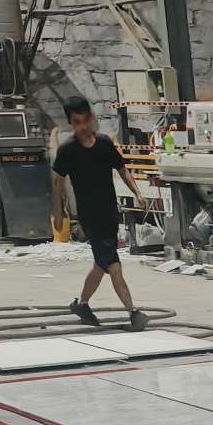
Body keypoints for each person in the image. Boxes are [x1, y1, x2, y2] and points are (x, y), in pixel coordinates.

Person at [52, 96, 148, 331]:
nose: (82, 127)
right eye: (77, 122)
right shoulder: (68, 150)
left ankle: (82, 304)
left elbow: (122, 169)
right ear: (70, 123)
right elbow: (57, 183)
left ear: (91, 118)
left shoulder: (104, 143)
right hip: (90, 217)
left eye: (85, 121)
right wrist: (58, 212)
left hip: (109, 213)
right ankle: (133, 312)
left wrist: (137, 193)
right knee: (113, 265)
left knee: (101, 264)